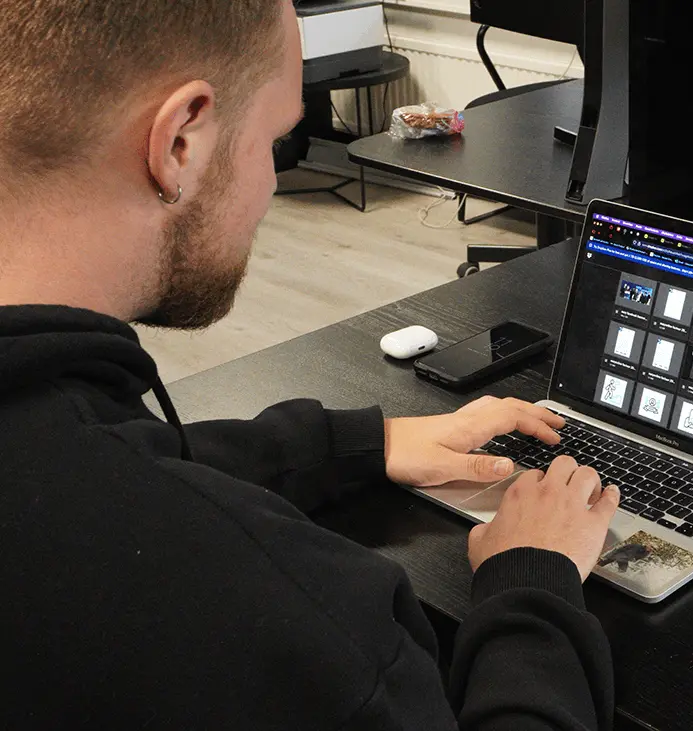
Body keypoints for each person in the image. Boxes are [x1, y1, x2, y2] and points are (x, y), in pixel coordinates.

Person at [0, 1, 619, 728]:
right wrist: (533, 578)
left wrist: (360, 443)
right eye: (274, 141)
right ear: (180, 141)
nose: (269, 185)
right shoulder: (282, 617)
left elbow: (93, 460)